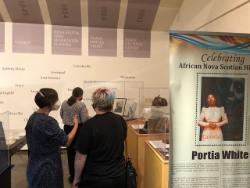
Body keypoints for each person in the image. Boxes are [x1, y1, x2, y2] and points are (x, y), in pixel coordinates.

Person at [73, 88, 127, 188]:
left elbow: (80, 157)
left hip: (96, 179)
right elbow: (122, 144)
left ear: (94, 103)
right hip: (118, 176)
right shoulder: (120, 120)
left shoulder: (89, 125)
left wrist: (76, 179)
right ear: (112, 102)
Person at [25, 88, 79, 188]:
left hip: (34, 167)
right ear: (50, 103)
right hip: (47, 170)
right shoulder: (48, 122)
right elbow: (66, 142)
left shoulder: (33, 118)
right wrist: (76, 125)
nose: (58, 101)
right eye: (56, 99)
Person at [60, 87, 89, 182]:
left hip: (67, 129)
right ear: (81, 95)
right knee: (79, 154)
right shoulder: (81, 105)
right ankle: (79, 176)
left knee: (70, 153)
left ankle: (72, 176)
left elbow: (61, 114)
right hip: (78, 129)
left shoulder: (64, 102)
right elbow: (84, 120)